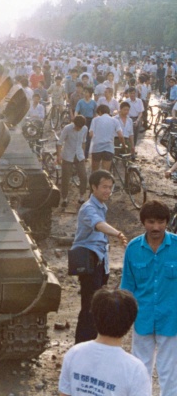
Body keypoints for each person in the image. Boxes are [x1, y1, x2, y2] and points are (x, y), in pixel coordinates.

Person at [121, 200, 177, 395]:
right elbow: (127, 287)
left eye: (161, 222)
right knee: (140, 368)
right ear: (143, 222)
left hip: (171, 320)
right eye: (151, 222)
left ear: (167, 222)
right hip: (142, 319)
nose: (156, 227)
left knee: (170, 372)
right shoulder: (133, 249)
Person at [59, 288, 151, 396]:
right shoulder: (135, 369)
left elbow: (64, 393)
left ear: (94, 316)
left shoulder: (74, 353)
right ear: (130, 321)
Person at [71, 170, 128, 344]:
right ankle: (82, 345)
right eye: (104, 187)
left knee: (97, 305)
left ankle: (92, 343)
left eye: (110, 187)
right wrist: (117, 233)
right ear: (93, 187)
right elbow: (99, 225)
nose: (107, 191)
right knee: (89, 307)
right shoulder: (88, 207)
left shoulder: (101, 206)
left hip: (99, 262)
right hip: (89, 263)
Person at [56, 114, 88, 207]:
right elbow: (59, 142)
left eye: (80, 127)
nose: (78, 129)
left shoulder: (85, 129)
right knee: (66, 178)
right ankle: (64, 198)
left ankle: (81, 197)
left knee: (83, 177)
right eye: (77, 127)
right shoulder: (67, 128)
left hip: (79, 155)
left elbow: (83, 142)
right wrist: (59, 156)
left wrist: (83, 155)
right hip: (68, 155)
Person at [89, 104, 126, 172]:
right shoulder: (115, 121)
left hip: (96, 147)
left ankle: (94, 182)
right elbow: (120, 136)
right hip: (108, 148)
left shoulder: (95, 120)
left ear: (100, 112)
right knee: (105, 172)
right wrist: (123, 145)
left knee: (94, 172)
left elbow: (91, 134)